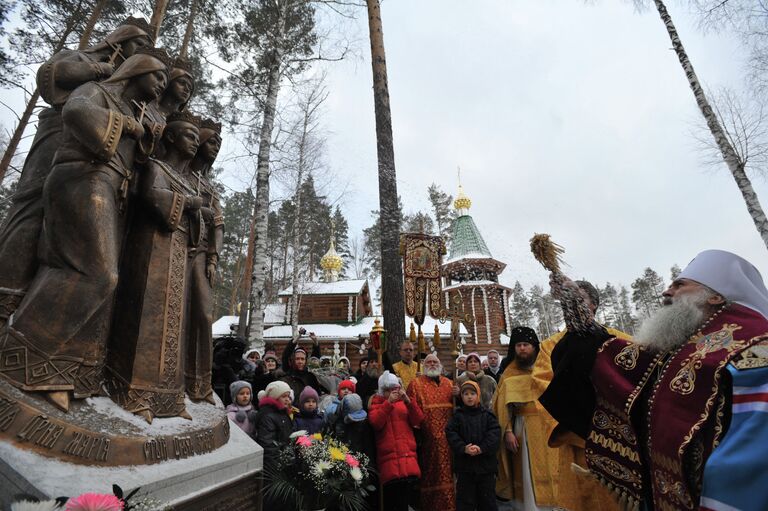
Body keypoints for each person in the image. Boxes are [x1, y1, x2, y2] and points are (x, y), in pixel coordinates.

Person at [0, 51, 169, 411]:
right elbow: (75, 112)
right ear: (137, 71)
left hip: (105, 186)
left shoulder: (127, 105)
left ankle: (47, 366)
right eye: (157, 78)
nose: (160, 88)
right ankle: (22, 350)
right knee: (98, 274)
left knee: (79, 272)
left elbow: (136, 159)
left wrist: (142, 135)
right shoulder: (97, 90)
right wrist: (125, 124)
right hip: (81, 178)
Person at [539, 250, 768, 511]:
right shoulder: (680, 349)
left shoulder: (756, 353)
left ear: (715, 296)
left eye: (679, 285)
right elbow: (605, 357)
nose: (666, 292)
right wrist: (575, 306)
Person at [0, 18, 153, 322]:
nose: (141, 52)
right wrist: (102, 69)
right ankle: (6, 293)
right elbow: (53, 75)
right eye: (139, 43)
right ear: (119, 40)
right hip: (59, 136)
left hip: (98, 168)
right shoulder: (84, 59)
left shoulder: (128, 93)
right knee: (31, 209)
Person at [105, 107, 200, 422]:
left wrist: (199, 212)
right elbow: (150, 195)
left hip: (178, 253)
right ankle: (135, 393)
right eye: (189, 135)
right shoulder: (157, 167)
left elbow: (194, 222)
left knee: (175, 323)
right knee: (149, 316)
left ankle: (170, 399)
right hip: (152, 248)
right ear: (171, 136)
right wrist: (187, 203)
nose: (194, 144)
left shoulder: (188, 181)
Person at [530, 282, 629, 511]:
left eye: (579, 299)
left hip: (618, 443)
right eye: (567, 300)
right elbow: (542, 386)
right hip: (576, 442)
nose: (571, 304)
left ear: (593, 305)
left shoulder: (620, 340)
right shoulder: (550, 346)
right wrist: (580, 422)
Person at [492, 326, 559, 509]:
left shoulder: (546, 369)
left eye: (526, 344)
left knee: (556, 468)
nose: (522, 348)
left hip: (549, 426)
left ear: (535, 347)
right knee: (528, 473)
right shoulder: (509, 374)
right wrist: (507, 432)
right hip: (524, 427)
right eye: (519, 345)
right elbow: (501, 407)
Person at [182, 117, 224, 404]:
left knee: (203, 313)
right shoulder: (179, 174)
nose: (215, 148)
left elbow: (218, 224)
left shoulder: (209, 188)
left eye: (218, 145)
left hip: (198, 253)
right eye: (211, 142)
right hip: (172, 247)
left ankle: (199, 383)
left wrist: (212, 256)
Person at [406, 353, 456, 510]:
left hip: (450, 441)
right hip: (427, 443)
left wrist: (459, 395)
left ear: (440, 365)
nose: (432, 364)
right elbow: (411, 413)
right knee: (430, 477)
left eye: (435, 362)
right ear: (423, 365)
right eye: (429, 362)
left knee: (449, 475)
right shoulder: (415, 384)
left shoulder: (450, 384)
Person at [369, 371, 425, 511]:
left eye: (396, 389)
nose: (394, 393)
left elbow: (418, 420)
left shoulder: (404, 403)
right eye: (390, 390)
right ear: (383, 391)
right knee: (392, 502)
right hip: (390, 463)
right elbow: (376, 423)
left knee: (405, 502)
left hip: (408, 460)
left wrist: (408, 401)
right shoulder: (376, 404)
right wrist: (388, 404)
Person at [446, 380, 501, 511]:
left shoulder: (488, 416)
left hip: (485, 468)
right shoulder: (457, 416)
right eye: (465, 394)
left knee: (487, 502)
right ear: (461, 397)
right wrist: (464, 448)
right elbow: (451, 434)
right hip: (465, 468)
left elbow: (494, 434)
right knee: (465, 502)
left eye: (472, 393)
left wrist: (481, 448)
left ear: (478, 395)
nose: (469, 397)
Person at [255, 380, 294, 466]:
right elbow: (268, 444)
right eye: (284, 396)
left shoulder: (282, 412)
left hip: (283, 459)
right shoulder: (268, 416)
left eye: (288, 396)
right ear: (274, 398)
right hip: (275, 464)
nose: (287, 399)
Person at [279, 333, 326, 403]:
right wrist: (296, 339)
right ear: (293, 360)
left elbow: (315, 359)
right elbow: (286, 355)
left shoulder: (310, 376)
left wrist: (316, 342)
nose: (300, 361)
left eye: (302, 359)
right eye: (297, 359)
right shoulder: (288, 372)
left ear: (306, 361)